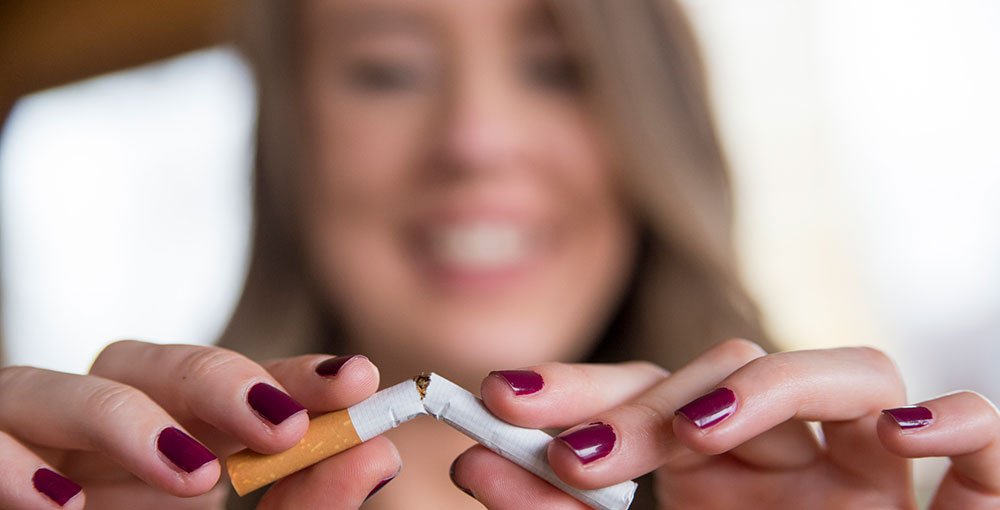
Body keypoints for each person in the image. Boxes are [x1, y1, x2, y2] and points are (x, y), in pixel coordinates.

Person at [1, 0, 997, 509]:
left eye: (558, 69)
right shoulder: (113, 490)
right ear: (291, 145)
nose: (476, 139)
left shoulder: (811, 494)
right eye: (387, 71)